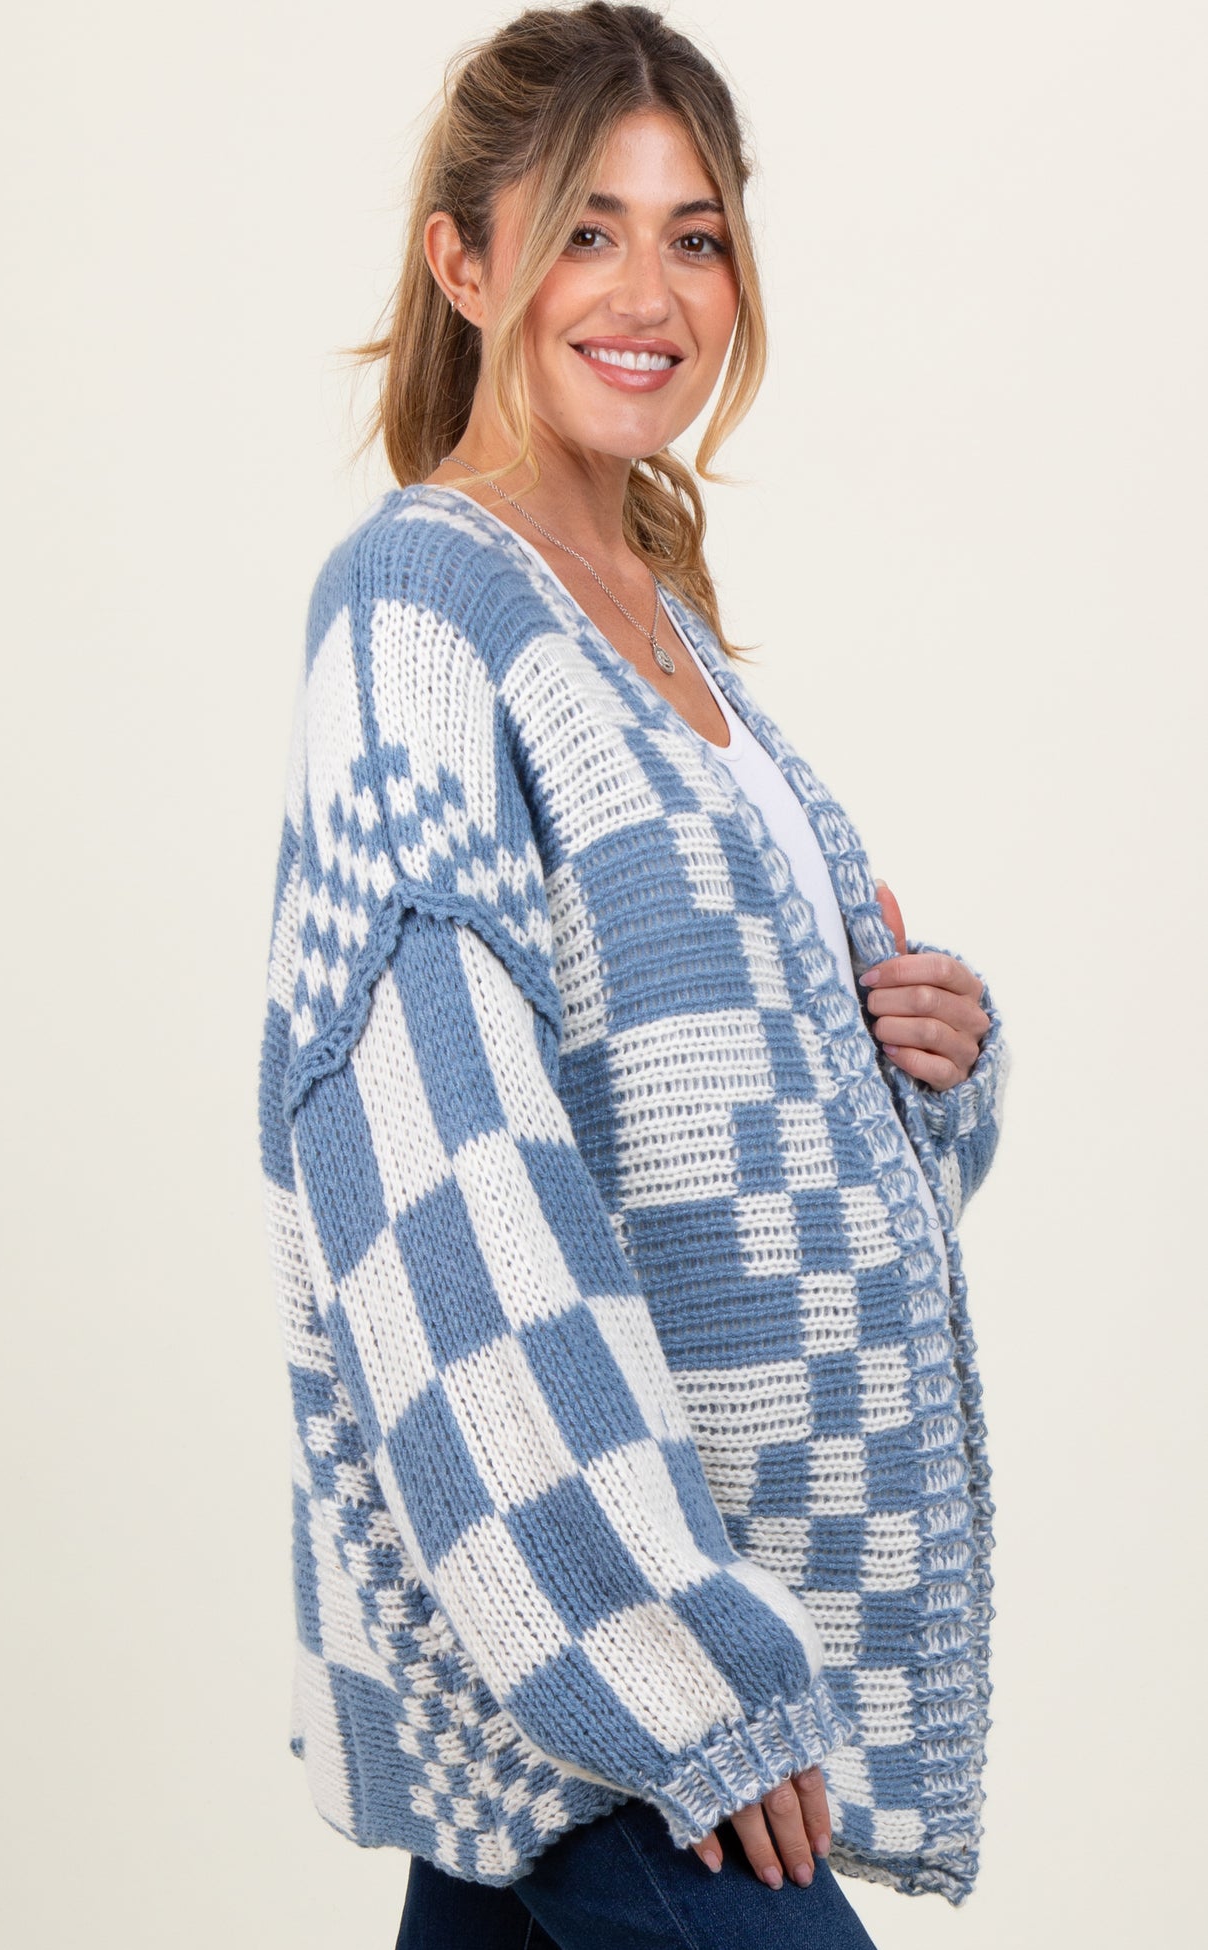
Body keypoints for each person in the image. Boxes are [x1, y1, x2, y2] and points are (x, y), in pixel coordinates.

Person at [255, 6, 1010, 1946]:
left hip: (653, 1629)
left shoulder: (664, 621)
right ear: (464, 261)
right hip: (623, 1665)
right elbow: (434, 1171)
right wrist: (666, 1667)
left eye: (696, 236)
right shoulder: (424, 607)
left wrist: (930, 1053)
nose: (650, 293)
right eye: (586, 229)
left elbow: (715, 1116)